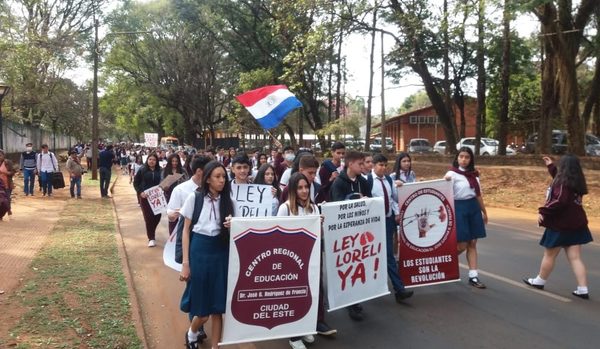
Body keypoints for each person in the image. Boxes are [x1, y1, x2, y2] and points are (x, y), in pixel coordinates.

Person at [179, 161, 234, 349]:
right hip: (199, 251)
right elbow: (185, 231)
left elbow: (238, 233)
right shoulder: (194, 198)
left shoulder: (229, 202)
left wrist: (232, 227)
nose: (222, 180)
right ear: (208, 178)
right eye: (218, 177)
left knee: (218, 307)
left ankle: (215, 346)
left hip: (220, 252)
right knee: (202, 312)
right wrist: (186, 263)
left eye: (224, 177)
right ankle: (192, 332)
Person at [523, 155, 593, 299]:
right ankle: (583, 288)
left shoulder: (561, 184)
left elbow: (559, 200)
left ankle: (540, 280)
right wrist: (551, 167)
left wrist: (543, 211)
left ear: (564, 168)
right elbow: (562, 187)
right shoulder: (577, 183)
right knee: (575, 258)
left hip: (560, 225)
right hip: (577, 224)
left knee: (549, 255)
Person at [277, 173, 320, 349]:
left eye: (306, 187)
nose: (304, 191)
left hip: (310, 259)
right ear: (293, 190)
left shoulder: (314, 208)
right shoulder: (285, 208)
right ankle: (293, 336)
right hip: (290, 261)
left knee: (307, 294)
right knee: (292, 296)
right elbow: (278, 236)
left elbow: (318, 236)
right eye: (300, 188)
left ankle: (303, 327)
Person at [329, 150, 371, 321]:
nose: (364, 167)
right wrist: (355, 201)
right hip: (345, 234)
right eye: (360, 164)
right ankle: (350, 303)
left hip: (361, 232)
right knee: (347, 267)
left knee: (360, 266)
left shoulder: (363, 181)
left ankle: (356, 298)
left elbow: (370, 200)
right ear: (350, 164)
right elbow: (336, 207)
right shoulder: (338, 183)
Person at [368, 154, 414, 302]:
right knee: (373, 257)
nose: (383, 168)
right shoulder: (368, 181)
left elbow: (394, 199)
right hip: (373, 224)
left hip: (388, 221)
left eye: (385, 165)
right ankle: (368, 289)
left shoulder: (388, 180)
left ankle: (399, 290)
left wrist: (400, 188)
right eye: (380, 165)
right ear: (373, 166)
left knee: (388, 256)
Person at [444, 147, 488, 289]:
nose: (463, 160)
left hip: (473, 208)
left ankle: (473, 276)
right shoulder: (451, 174)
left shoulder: (474, 175)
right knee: (462, 244)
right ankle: (445, 263)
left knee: (473, 242)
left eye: (467, 157)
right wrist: (445, 181)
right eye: (461, 156)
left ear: (471, 159)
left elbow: (478, 194)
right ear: (457, 158)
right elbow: (443, 191)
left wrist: (484, 212)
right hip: (459, 208)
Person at [167, 156, 210, 235]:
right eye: (210, 172)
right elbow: (171, 211)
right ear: (199, 171)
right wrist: (171, 215)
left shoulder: (212, 190)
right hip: (186, 232)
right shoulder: (180, 190)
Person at [133, 153, 163, 247]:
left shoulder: (161, 170)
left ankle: (151, 231)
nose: (152, 161)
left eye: (154, 159)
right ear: (147, 160)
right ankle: (151, 238)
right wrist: (140, 192)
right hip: (145, 198)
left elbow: (164, 182)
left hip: (157, 198)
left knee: (157, 217)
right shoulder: (142, 170)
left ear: (156, 161)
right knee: (148, 218)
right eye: (150, 159)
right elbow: (136, 183)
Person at [0, 149, 15, 214]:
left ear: (3, 155)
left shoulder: (8, 162)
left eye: (0, 155)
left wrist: (4, 172)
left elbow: (12, 172)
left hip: (7, 184)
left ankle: (8, 209)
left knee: (7, 199)